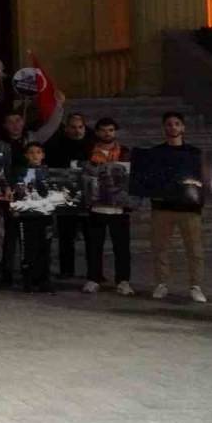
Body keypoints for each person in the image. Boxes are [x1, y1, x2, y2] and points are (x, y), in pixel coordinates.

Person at [149, 112, 208, 303]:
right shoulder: (155, 153)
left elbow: (204, 180)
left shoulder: (194, 153)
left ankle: (196, 286)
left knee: (194, 250)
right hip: (162, 208)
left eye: (177, 124)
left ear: (183, 127)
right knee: (160, 247)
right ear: (164, 127)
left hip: (189, 209)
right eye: (169, 124)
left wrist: (200, 198)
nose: (173, 127)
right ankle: (161, 284)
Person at [81, 117, 133, 296]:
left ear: (115, 132)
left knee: (122, 247)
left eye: (110, 130)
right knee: (94, 245)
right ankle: (93, 279)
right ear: (97, 132)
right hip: (96, 207)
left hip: (119, 207)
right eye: (103, 130)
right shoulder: (88, 151)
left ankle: (123, 281)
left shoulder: (125, 152)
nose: (107, 133)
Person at [46, 113, 92, 278]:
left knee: (91, 236)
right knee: (66, 235)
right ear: (66, 128)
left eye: (80, 127)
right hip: (65, 196)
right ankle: (66, 270)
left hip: (89, 197)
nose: (77, 131)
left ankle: (94, 272)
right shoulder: (56, 146)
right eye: (73, 127)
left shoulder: (92, 145)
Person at [8, 142, 54, 293]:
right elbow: (14, 193)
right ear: (26, 155)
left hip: (45, 216)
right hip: (27, 217)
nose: (35, 155)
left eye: (38, 152)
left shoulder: (49, 172)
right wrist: (14, 207)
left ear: (43, 155)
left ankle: (44, 280)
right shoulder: (19, 172)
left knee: (45, 248)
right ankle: (28, 280)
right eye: (31, 152)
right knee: (28, 249)